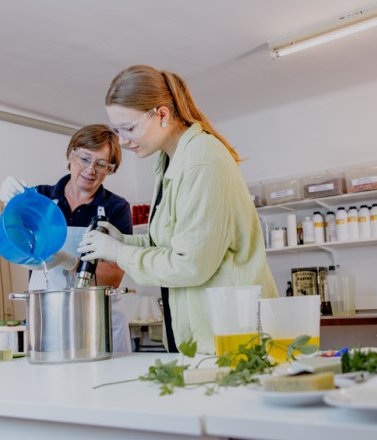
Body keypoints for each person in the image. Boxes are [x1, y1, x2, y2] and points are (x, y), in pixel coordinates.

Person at [77, 65, 278, 354]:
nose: (122, 141)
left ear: (161, 114)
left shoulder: (202, 160)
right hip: (204, 335)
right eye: (116, 130)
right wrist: (123, 240)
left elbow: (191, 264)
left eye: (130, 128)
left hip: (231, 334)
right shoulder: (170, 160)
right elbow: (174, 240)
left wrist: (119, 253)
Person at [0, 124, 133, 352]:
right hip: (48, 319)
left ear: (109, 169)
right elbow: (12, 243)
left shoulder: (116, 208)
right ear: (71, 154)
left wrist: (69, 261)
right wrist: (9, 207)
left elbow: (113, 278)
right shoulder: (40, 198)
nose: (91, 169)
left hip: (98, 323)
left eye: (101, 164)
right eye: (84, 158)